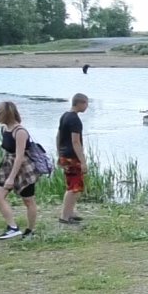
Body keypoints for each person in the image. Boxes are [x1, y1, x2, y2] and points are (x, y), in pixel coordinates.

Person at [0, 101, 39, 240]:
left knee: (28, 200)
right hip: (7, 164)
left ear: (5, 115)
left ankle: (30, 230)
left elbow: (20, 156)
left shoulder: (20, 132)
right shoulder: (5, 129)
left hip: (23, 168)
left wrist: (11, 178)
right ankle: (12, 227)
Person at [57, 93, 88, 223]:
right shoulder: (75, 120)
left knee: (73, 186)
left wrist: (59, 152)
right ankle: (65, 216)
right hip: (72, 157)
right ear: (79, 103)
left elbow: (58, 136)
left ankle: (70, 212)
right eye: (86, 103)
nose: (87, 106)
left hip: (65, 155)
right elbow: (76, 142)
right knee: (74, 188)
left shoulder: (65, 116)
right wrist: (83, 161)